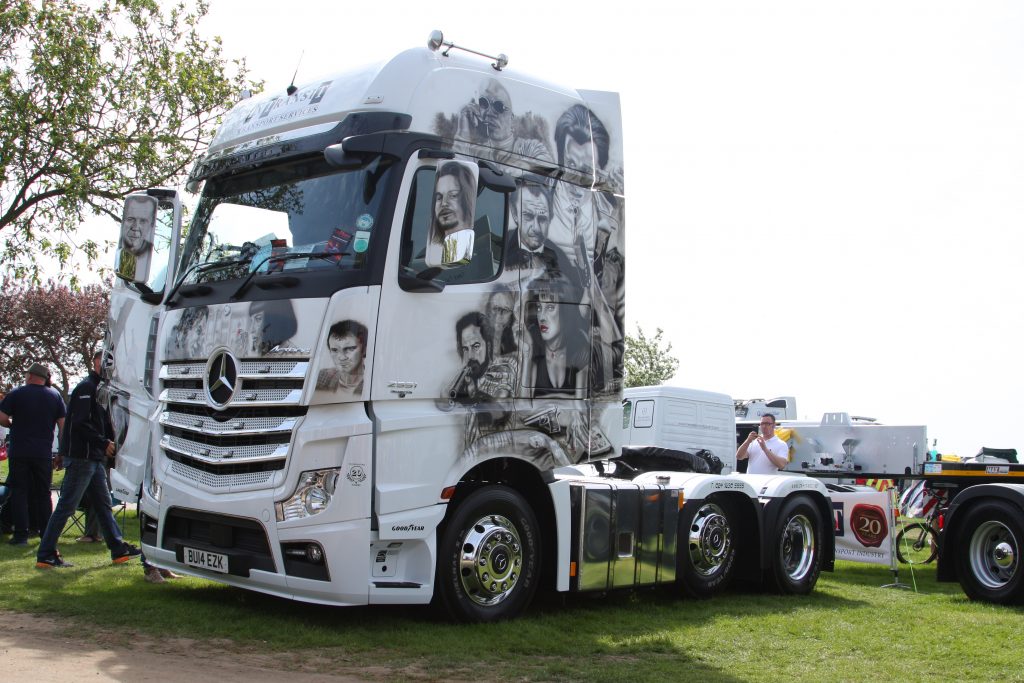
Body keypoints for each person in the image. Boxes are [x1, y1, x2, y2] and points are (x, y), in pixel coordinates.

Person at [35, 351, 141, 569]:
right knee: (67, 506)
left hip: (92, 458)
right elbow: (81, 423)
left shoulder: (100, 388)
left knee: (103, 505)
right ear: (97, 363)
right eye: (106, 362)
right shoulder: (87, 388)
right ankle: (46, 554)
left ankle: (118, 549)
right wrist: (103, 442)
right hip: (83, 457)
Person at [0, 363, 66, 546]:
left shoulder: (17, 393)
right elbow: (62, 426)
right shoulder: (55, 396)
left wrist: (12, 425)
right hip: (43, 453)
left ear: (30, 376)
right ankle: (46, 533)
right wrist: (61, 452)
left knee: (19, 492)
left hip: (20, 451)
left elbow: (2, 417)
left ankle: (21, 535)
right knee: (43, 493)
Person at [425, 162, 476, 265]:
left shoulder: (472, 254)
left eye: (453, 195)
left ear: (467, 199)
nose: (444, 203)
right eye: (439, 197)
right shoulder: (434, 251)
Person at [315, 320, 368, 396]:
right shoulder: (322, 377)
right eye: (334, 350)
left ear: (364, 349)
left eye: (350, 348)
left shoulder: (374, 382)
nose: (342, 358)